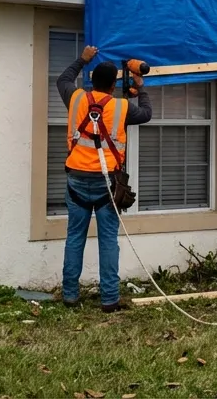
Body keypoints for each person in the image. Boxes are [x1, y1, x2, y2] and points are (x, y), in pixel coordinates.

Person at [57, 44, 152, 312]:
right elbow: (146, 113)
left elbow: (63, 79)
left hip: (76, 180)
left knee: (75, 237)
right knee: (108, 240)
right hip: (107, 185)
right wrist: (140, 87)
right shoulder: (122, 108)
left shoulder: (75, 98)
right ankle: (109, 299)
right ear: (113, 85)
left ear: (92, 80)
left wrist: (82, 59)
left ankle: (70, 295)